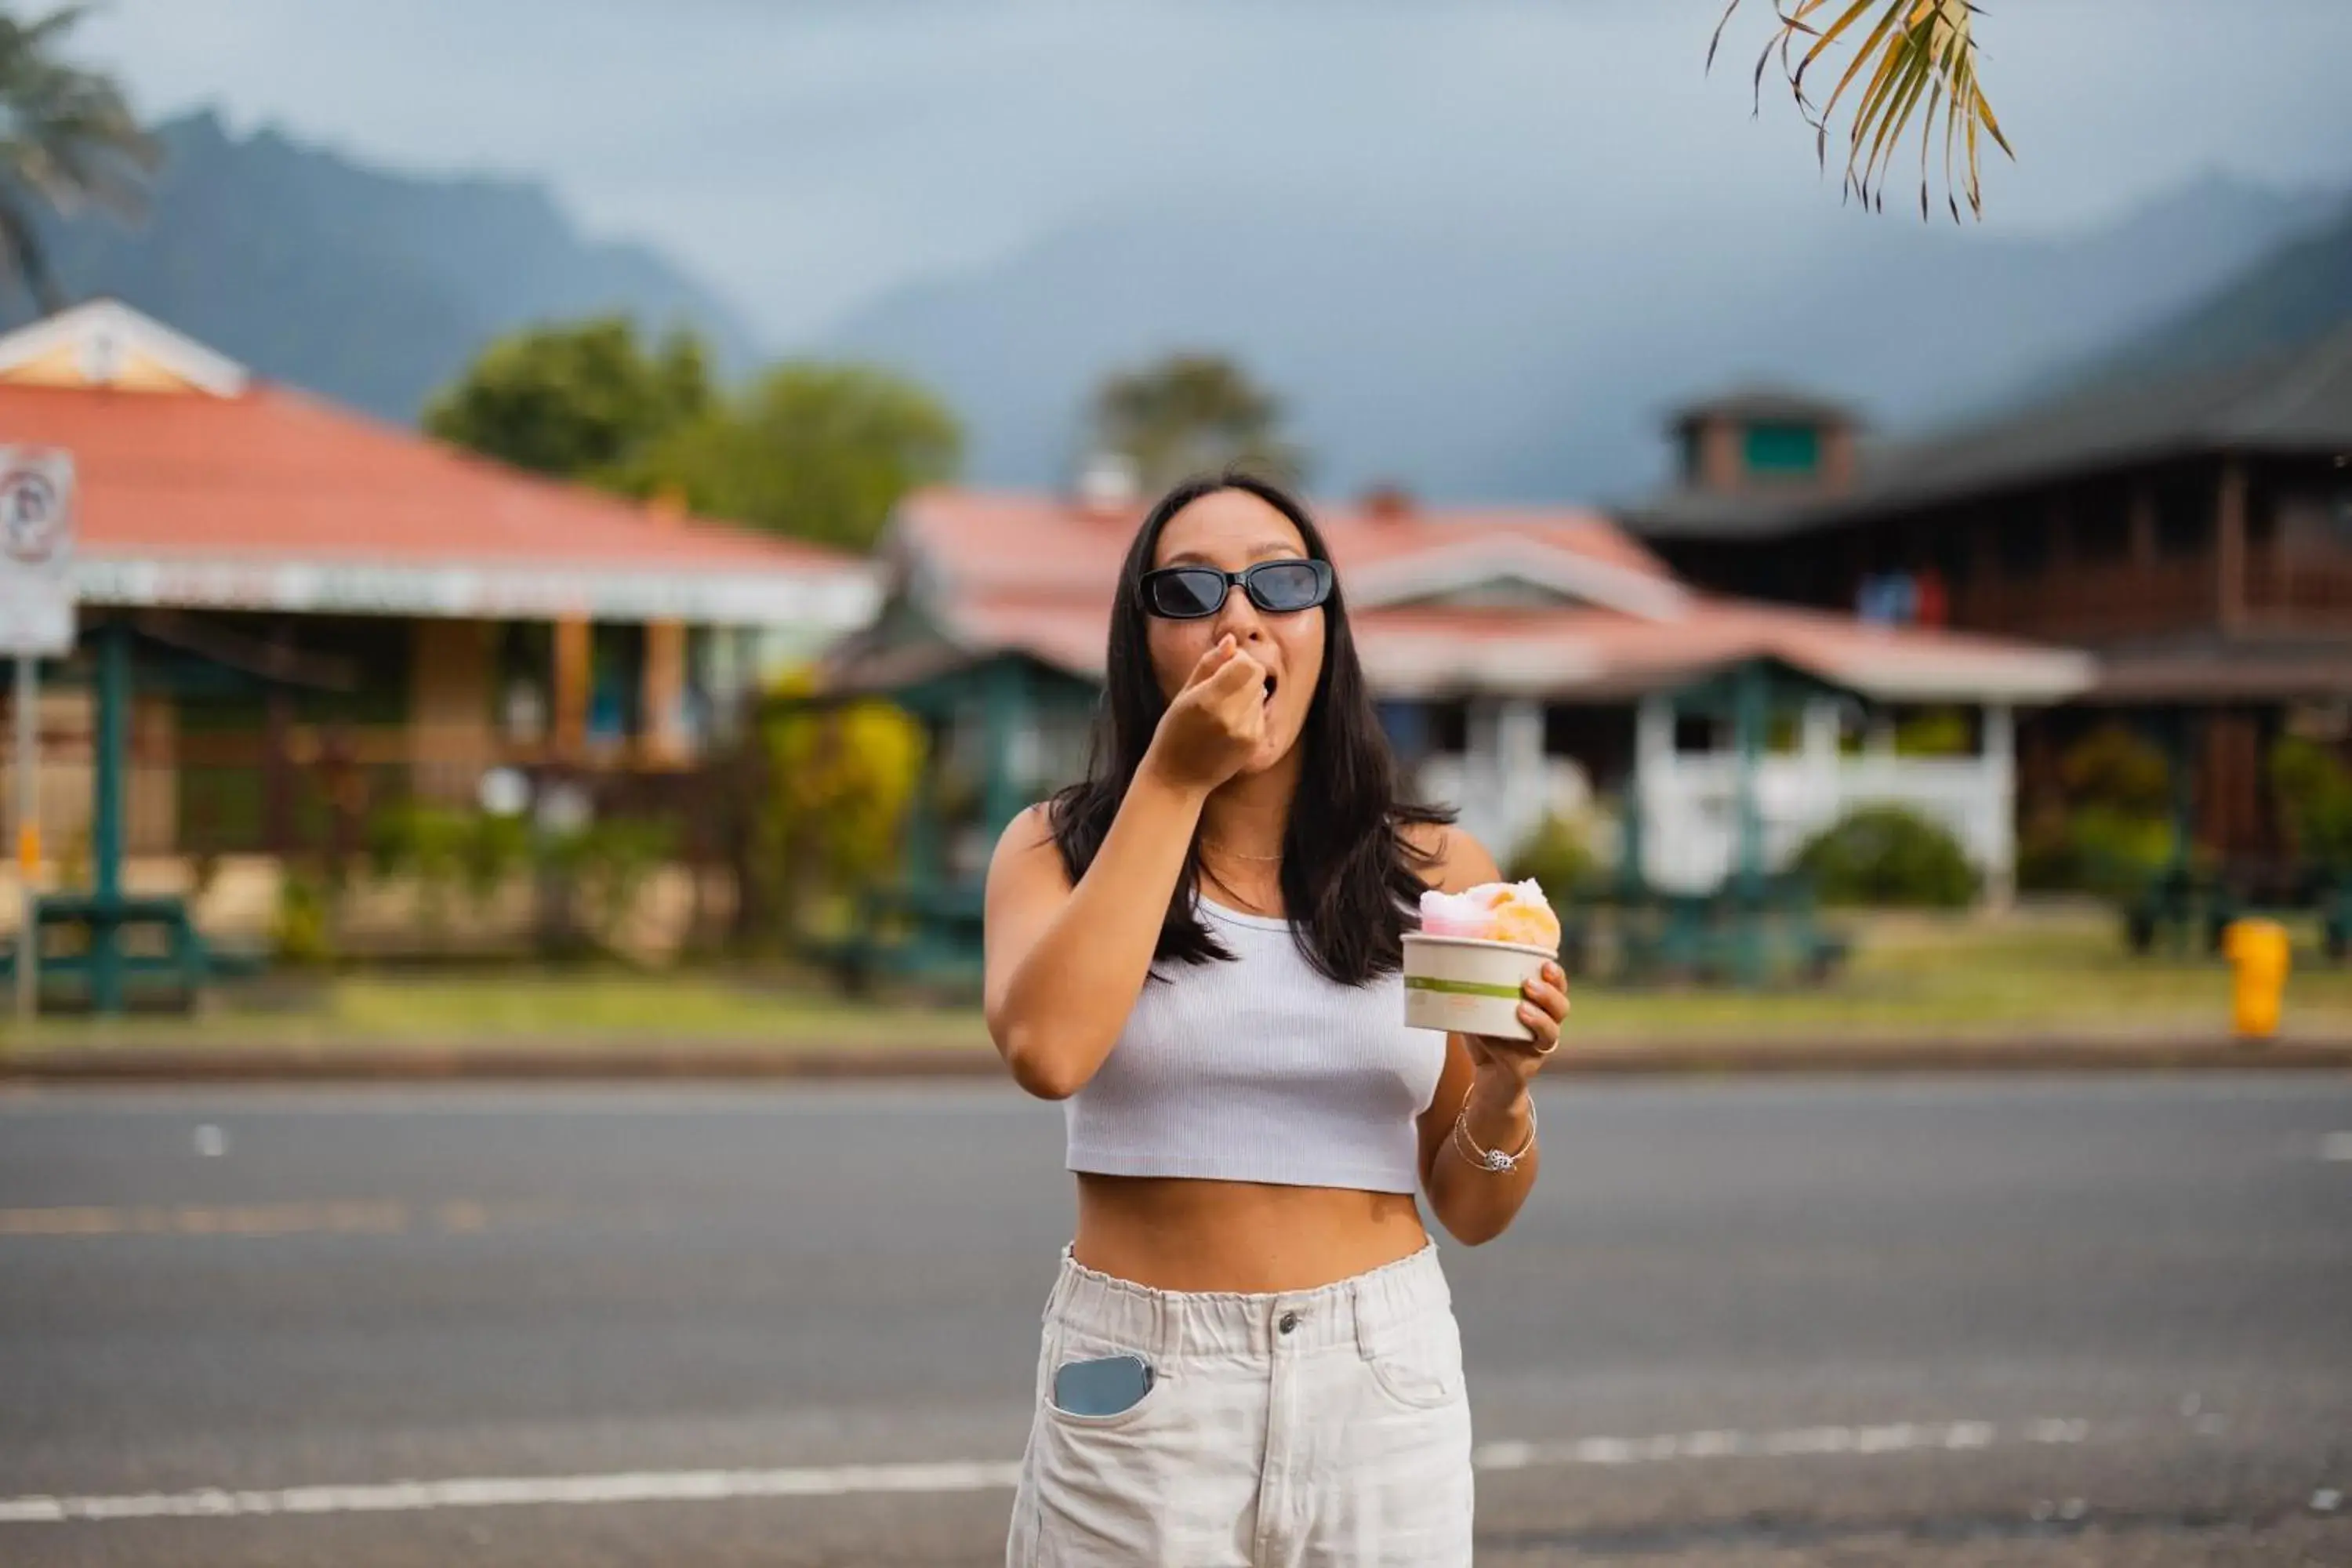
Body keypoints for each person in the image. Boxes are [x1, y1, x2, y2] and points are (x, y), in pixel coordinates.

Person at [985, 471, 1571, 1566]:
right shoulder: (1053, 848)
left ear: (1327, 625)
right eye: (1192, 589)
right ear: (1140, 638)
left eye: (1279, 581)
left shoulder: (1436, 872)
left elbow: (1474, 1209)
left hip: (1380, 1385)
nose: (1239, 616)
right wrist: (1173, 776)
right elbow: (1048, 1051)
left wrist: (1504, 1085)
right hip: (1140, 1386)